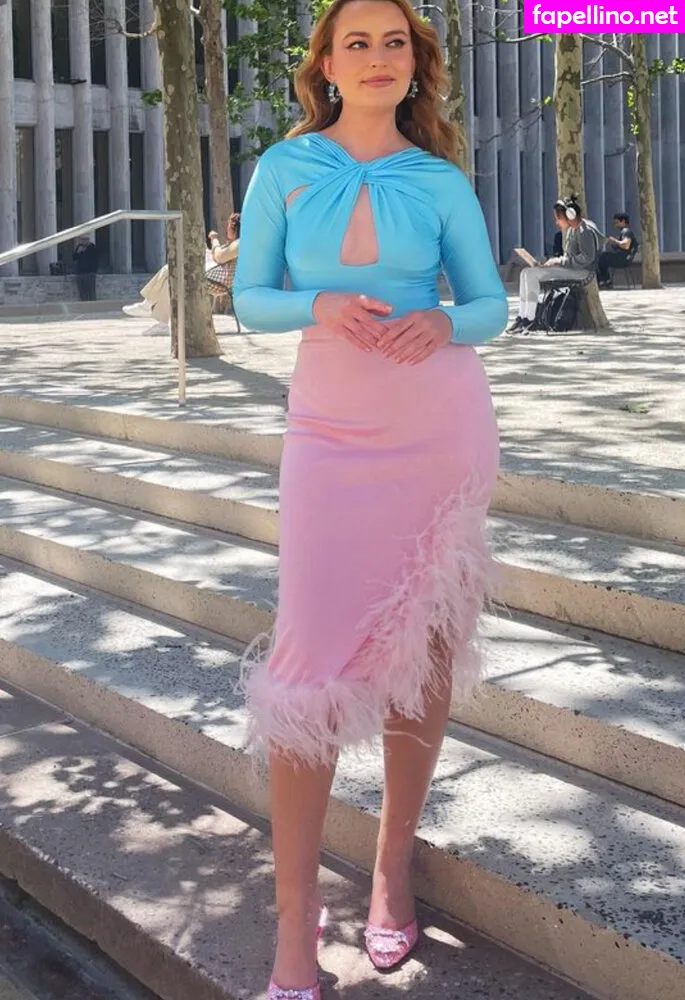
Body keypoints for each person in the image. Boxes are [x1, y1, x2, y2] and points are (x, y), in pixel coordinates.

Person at [232, 2, 507, 997]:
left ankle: (391, 867)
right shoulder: (284, 168)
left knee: (424, 644)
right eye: (359, 41)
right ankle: (294, 922)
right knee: (305, 660)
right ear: (326, 64)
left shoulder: (438, 179)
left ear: (416, 64)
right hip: (329, 432)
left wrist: (444, 322)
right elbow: (248, 296)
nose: (379, 56)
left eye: (397, 42)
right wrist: (317, 302)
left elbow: (490, 304)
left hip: (437, 425)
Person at [507, 196, 601, 334]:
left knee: (531, 274)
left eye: (558, 218)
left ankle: (530, 319)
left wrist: (559, 261)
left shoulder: (584, 230)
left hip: (581, 272)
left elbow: (587, 258)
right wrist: (554, 261)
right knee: (524, 273)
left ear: (570, 215)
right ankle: (522, 316)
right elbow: (569, 257)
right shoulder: (572, 230)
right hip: (571, 268)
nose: (556, 222)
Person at [597, 211, 638, 288]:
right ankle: (606, 281)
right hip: (625, 259)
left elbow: (626, 245)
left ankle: (603, 281)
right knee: (603, 257)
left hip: (623, 260)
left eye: (617, 223)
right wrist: (614, 244)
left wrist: (615, 241)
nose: (616, 225)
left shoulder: (626, 231)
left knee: (601, 257)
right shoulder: (626, 232)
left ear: (623, 221)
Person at [72, 236, 98, 301]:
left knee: (91, 291)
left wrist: (85, 251)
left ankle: (92, 304)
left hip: (90, 273)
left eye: (85, 239)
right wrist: (78, 252)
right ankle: (83, 303)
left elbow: (94, 258)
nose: (83, 241)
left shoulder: (92, 247)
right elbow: (74, 258)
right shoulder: (79, 247)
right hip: (80, 273)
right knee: (82, 291)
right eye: (82, 240)